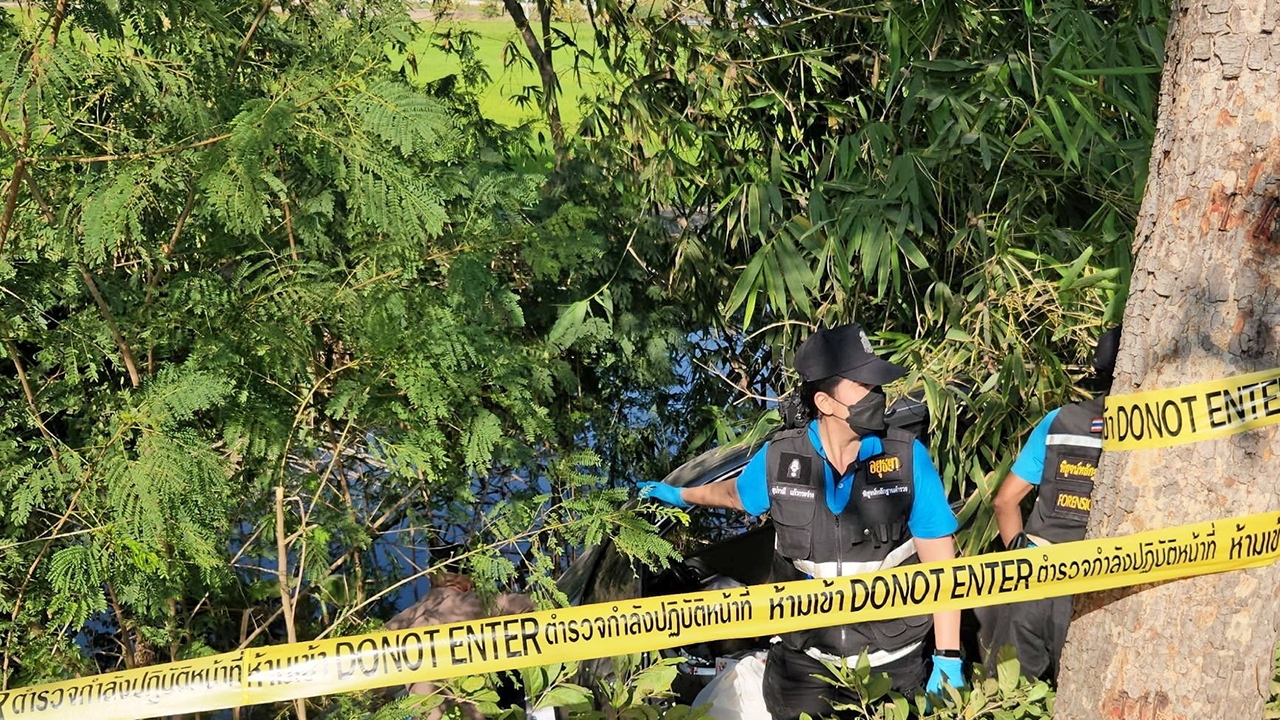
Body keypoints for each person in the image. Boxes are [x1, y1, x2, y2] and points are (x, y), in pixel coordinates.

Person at [639, 323, 966, 720]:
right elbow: (734, 495)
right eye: (864, 386)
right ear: (825, 402)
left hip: (893, 667)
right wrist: (680, 495)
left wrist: (948, 658)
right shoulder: (780, 460)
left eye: (877, 385)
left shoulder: (907, 459)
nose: (877, 395)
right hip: (805, 668)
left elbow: (942, 568)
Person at [984, 325, 1121, 682]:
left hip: (1035, 576)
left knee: (1007, 695)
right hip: (1093, 585)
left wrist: (1021, 558)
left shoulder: (1059, 420)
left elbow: (1004, 501)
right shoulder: (1148, 431)